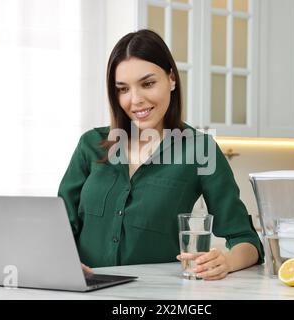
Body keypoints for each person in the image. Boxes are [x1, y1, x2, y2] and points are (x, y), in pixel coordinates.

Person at [58, 29, 264, 280]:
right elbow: (59, 226)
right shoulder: (91, 144)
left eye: (147, 84)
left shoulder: (200, 149)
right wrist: (63, 262)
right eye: (123, 89)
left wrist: (226, 261)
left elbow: (246, 241)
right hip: (84, 292)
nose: (135, 100)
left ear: (172, 79)